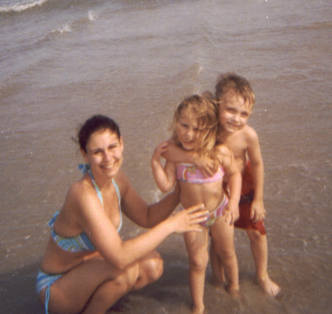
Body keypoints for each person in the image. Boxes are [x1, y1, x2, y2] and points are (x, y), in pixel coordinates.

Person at [36, 114, 209, 314]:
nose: (108, 158)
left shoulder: (117, 180)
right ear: (85, 155)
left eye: (112, 147)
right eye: (97, 152)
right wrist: (172, 225)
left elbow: (147, 216)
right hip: (57, 289)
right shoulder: (82, 194)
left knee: (153, 264)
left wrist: (181, 191)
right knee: (125, 270)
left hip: (89, 271)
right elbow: (119, 257)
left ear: (122, 144)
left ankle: (102, 301)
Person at [166, 74, 280, 296]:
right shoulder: (206, 127)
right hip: (215, 186)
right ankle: (218, 280)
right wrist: (195, 159)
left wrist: (258, 199)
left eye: (244, 114)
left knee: (256, 230)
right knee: (218, 241)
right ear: (217, 105)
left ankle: (262, 275)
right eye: (230, 110)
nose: (236, 119)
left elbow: (257, 164)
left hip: (243, 183)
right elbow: (171, 148)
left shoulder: (248, 135)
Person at [151, 95, 241, 314]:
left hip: (219, 211)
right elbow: (165, 185)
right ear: (176, 122)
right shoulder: (174, 156)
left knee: (227, 253)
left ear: (209, 130)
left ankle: (235, 289)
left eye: (197, 129)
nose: (188, 133)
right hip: (192, 217)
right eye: (184, 125)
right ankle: (198, 306)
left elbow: (235, 174)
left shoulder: (218, 152)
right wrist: (154, 162)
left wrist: (234, 203)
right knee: (198, 263)